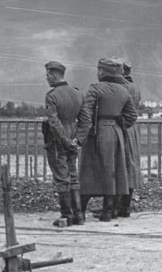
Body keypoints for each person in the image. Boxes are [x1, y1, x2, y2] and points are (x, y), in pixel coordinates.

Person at [78, 58, 138, 222]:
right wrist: (120, 122)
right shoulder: (123, 91)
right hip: (117, 134)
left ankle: (80, 213)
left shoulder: (95, 89)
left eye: (99, 70)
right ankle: (108, 212)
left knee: (88, 171)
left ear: (102, 72)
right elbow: (132, 116)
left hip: (97, 134)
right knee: (113, 171)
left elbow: (86, 114)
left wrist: (80, 137)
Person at [42, 61, 90, 226]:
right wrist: (77, 141)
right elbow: (86, 121)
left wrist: (65, 141)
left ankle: (66, 215)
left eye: (48, 75)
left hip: (57, 142)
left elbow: (54, 123)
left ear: (54, 75)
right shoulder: (78, 94)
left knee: (62, 178)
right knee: (73, 176)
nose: (47, 78)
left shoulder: (52, 95)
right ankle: (79, 216)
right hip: (73, 140)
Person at [117, 59, 142, 218]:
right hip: (133, 128)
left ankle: (115, 207)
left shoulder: (121, 87)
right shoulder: (136, 88)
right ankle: (125, 206)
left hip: (122, 127)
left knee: (119, 166)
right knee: (130, 166)